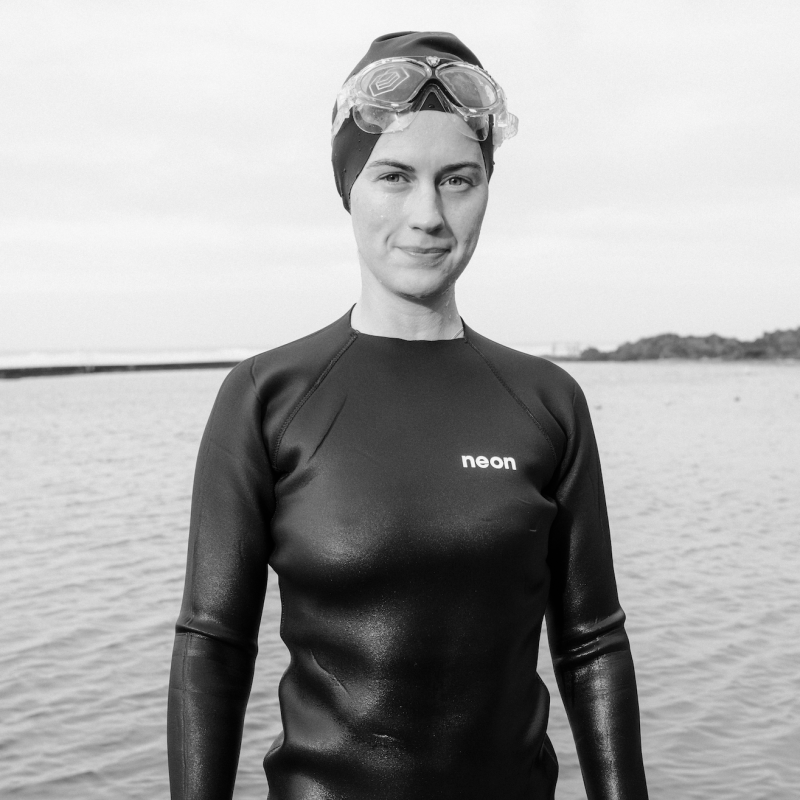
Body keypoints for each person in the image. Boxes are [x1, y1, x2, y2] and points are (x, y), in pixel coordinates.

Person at [167, 30, 649, 800]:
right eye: (394, 176)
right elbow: (213, 647)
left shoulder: (547, 401)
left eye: (458, 179)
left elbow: (592, 643)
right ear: (349, 188)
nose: (428, 213)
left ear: (488, 189)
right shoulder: (267, 397)